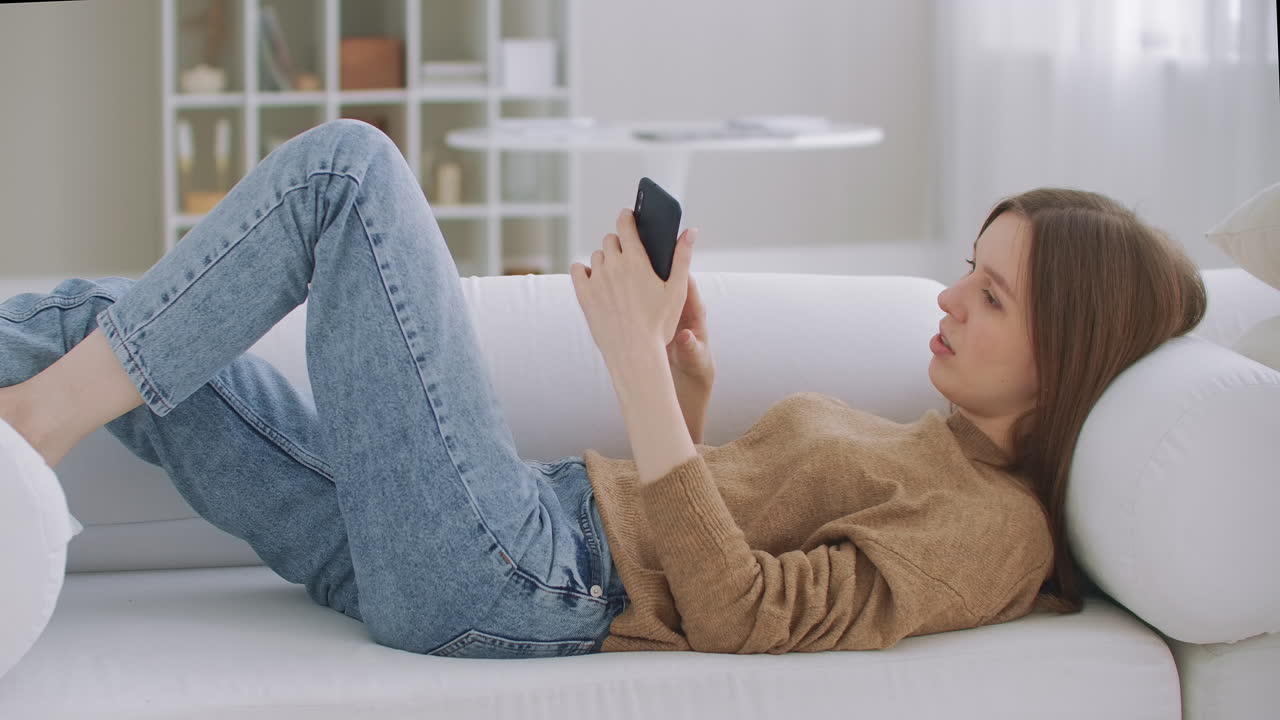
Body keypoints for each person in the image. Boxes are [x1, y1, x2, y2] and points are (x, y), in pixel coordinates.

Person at [0, 119, 1206, 659]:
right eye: (965, 272)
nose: (946, 301)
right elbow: (702, 533)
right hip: (486, 539)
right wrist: (684, 393)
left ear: (1070, 356)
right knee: (96, 329)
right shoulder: (933, 440)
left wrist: (626, 366)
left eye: (990, 298)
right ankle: (42, 399)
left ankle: (35, 428)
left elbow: (741, 617)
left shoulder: (994, 531)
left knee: (350, 172)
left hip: (523, 575)